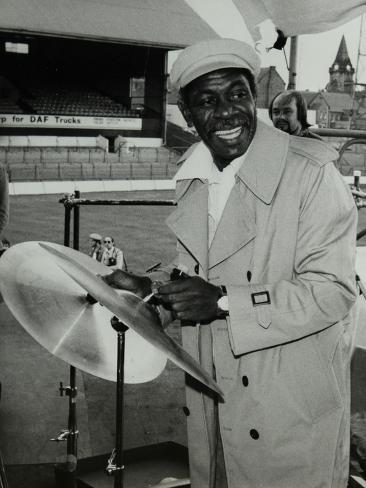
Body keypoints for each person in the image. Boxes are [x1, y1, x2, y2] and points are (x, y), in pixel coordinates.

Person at [104, 38, 358, 488]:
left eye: (238, 94)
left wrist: (224, 304)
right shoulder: (195, 175)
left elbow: (333, 292)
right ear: (186, 112)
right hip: (214, 402)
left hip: (287, 409)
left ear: (253, 98)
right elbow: (203, 276)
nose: (226, 112)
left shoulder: (312, 173)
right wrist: (152, 291)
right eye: (207, 100)